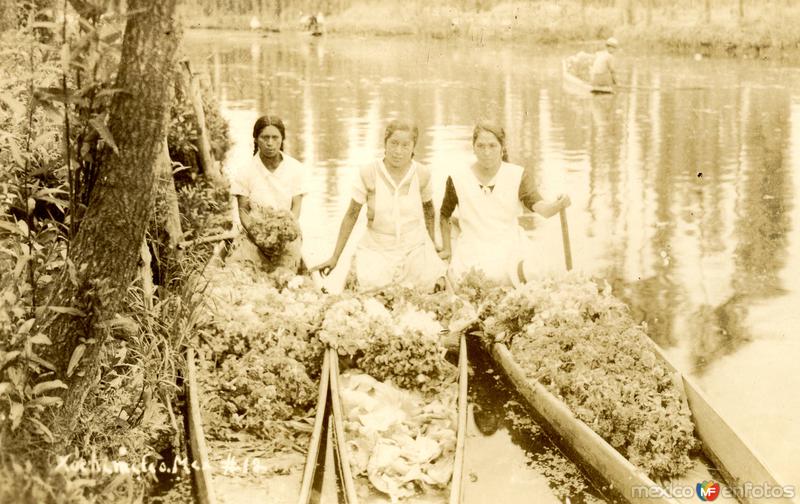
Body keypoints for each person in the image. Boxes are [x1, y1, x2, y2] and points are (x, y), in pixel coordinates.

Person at [311, 120, 445, 292]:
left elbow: (429, 211)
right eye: (394, 143)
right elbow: (351, 215)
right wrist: (335, 257)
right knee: (370, 290)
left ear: (413, 147)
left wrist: (432, 245)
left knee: (431, 286)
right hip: (376, 247)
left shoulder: (422, 174)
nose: (398, 151)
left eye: (405, 145)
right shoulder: (369, 173)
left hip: (414, 246)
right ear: (385, 143)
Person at [439, 121, 570, 286]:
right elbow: (444, 215)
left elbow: (542, 209)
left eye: (492, 146)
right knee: (474, 277)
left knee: (534, 271)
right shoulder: (458, 179)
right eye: (481, 146)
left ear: (502, 148)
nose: (486, 152)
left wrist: (558, 205)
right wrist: (447, 249)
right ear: (473, 148)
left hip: (509, 242)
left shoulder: (517, 175)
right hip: (472, 245)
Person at [228, 115, 308, 270]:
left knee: (285, 274)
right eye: (265, 137)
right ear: (256, 139)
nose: (270, 143)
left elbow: (295, 209)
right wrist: (260, 238)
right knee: (243, 272)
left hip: (286, 235)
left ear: (282, 139)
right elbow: (243, 213)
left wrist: (283, 235)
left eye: (275, 137)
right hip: (254, 236)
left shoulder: (295, 169)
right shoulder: (245, 171)